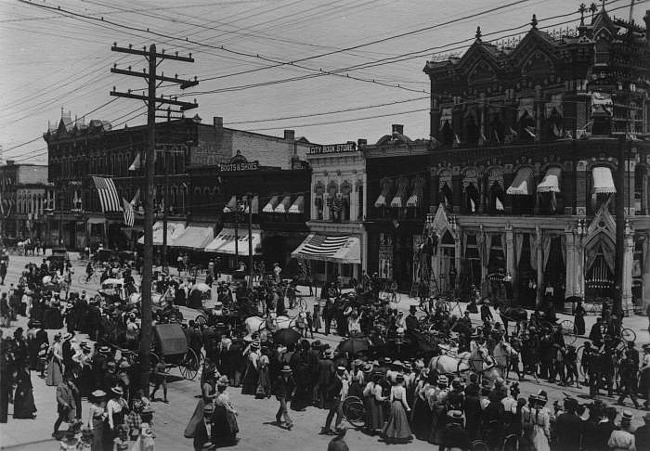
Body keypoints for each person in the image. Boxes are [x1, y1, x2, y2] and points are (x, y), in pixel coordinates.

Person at [382, 373, 412, 444]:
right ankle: (399, 435)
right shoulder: (403, 389)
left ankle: (391, 434)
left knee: (393, 419)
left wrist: (391, 405)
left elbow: (391, 399)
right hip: (399, 405)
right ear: (402, 381)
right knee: (400, 420)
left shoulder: (393, 387)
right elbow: (404, 400)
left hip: (394, 404)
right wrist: (408, 408)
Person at [210, 375, 239, 447]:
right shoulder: (223, 396)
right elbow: (227, 407)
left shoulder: (218, 394)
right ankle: (225, 440)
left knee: (218, 425)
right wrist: (234, 411)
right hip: (223, 412)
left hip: (217, 411)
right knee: (226, 425)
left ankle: (218, 439)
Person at [53, 373, 79, 438]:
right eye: (69, 378)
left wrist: (74, 386)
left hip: (71, 405)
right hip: (63, 406)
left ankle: (71, 433)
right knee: (61, 418)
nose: (70, 380)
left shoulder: (70, 385)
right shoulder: (60, 386)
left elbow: (77, 392)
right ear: (65, 379)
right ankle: (56, 430)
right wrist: (64, 403)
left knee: (72, 419)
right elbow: (58, 397)